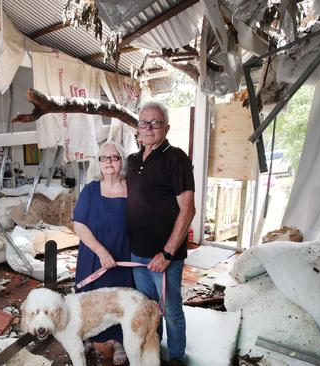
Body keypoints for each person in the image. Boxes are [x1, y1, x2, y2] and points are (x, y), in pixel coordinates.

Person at [126, 101, 196, 366]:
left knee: (171, 311)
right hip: (137, 254)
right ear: (137, 127)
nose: (149, 127)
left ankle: (176, 357)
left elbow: (188, 210)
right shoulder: (133, 160)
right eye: (144, 122)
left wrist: (167, 253)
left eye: (156, 122)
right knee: (148, 310)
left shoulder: (176, 158)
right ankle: (153, 353)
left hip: (164, 257)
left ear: (165, 127)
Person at [73, 141, 134, 365]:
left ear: (122, 161)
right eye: (104, 158)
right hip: (93, 255)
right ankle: (88, 335)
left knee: (119, 298)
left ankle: (118, 341)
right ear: (98, 163)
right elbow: (78, 225)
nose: (109, 162)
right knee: (91, 298)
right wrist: (100, 251)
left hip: (123, 253)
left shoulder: (132, 188)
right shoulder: (90, 190)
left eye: (114, 157)